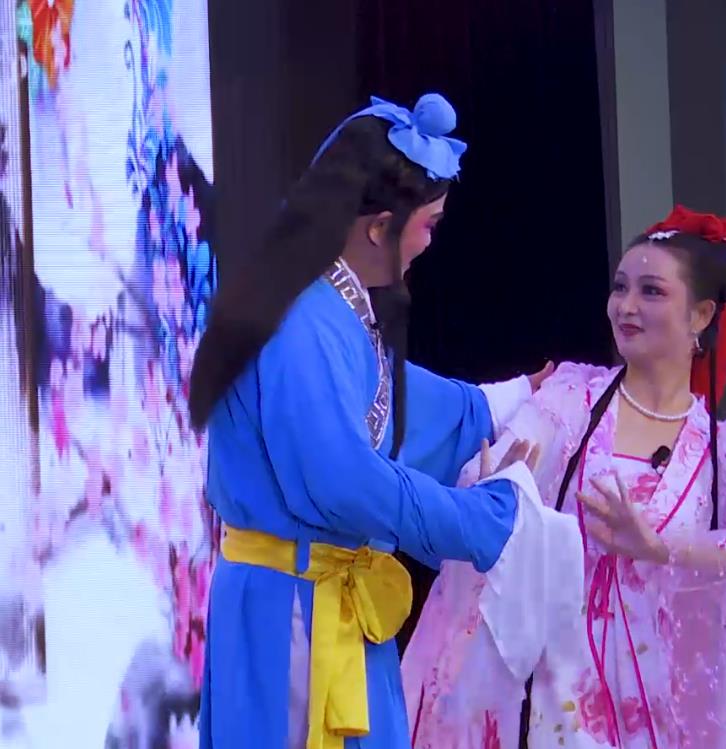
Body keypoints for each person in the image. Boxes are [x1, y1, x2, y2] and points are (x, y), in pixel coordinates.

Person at [188, 94, 548, 749]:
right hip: (294, 613)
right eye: (429, 224)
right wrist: (483, 515)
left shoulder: (323, 301)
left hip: (316, 596)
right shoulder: (302, 318)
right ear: (380, 227)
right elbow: (342, 478)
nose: (431, 241)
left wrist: (505, 399)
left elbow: (395, 402)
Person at [402, 205, 726, 748]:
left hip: (661, 713)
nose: (627, 306)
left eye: (652, 291)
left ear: (701, 315)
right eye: (620, 288)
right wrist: (493, 493)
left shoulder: (724, 452)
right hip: (557, 701)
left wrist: (663, 549)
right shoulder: (572, 400)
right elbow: (500, 475)